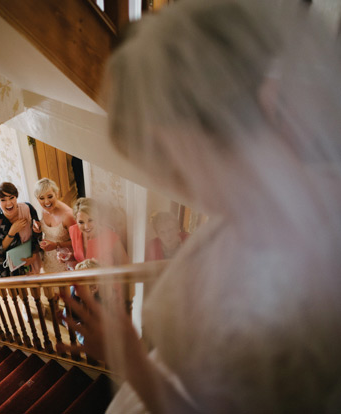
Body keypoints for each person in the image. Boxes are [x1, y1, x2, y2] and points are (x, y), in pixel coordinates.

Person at [63, 0, 341, 412]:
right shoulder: (293, 193)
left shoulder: (285, 302)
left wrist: (132, 359)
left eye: (172, 165)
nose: (176, 183)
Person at [0, 182, 42, 277]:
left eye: (11, 198)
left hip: (31, 258)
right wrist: (12, 232)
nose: (9, 203)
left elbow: (38, 235)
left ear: (16, 197)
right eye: (3, 200)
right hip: (11, 267)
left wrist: (34, 255)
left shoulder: (27, 208)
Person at [65, 197, 129, 269]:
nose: (86, 227)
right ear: (76, 220)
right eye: (81, 222)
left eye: (90, 220)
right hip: (83, 278)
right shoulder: (73, 231)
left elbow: (126, 266)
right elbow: (80, 259)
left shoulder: (111, 237)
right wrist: (70, 257)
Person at [34, 178, 76, 273]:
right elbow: (50, 230)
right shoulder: (44, 209)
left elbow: (78, 242)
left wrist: (57, 245)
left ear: (56, 194)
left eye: (50, 196)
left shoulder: (68, 215)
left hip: (65, 261)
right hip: (48, 259)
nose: (47, 202)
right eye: (42, 198)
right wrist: (40, 227)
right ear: (37, 199)